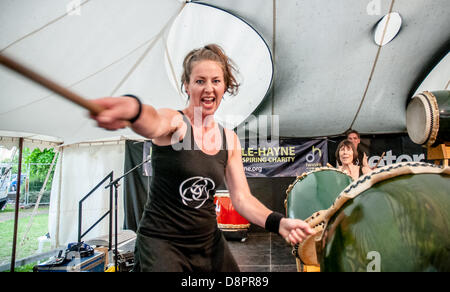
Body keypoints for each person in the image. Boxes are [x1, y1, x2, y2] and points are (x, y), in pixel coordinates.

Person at [90, 44, 313, 272]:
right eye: (200, 81)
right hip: (162, 243)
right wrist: (134, 109)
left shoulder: (229, 139)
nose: (208, 88)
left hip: (207, 243)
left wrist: (279, 222)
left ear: (225, 86)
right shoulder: (176, 122)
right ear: (187, 86)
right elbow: (153, 122)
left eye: (216, 81)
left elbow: (242, 199)